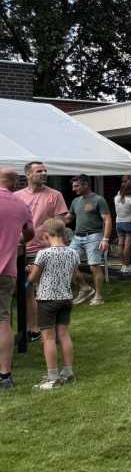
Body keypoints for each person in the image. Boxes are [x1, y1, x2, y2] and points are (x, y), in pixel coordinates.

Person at [14, 161, 87, 339]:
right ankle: (33, 330)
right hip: (21, 248)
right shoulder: (17, 196)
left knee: (47, 290)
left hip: (45, 249)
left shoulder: (54, 195)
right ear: (28, 175)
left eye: (45, 170)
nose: (44, 173)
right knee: (27, 290)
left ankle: (47, 329)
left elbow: (60, 223)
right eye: (39, 171)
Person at [26, 217, 79, 390]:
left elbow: (34, 277)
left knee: (48, 338)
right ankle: (68, 373)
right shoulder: (73, 253)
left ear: (46, 235)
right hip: (66, 298)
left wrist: (28, 279)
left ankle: (52, 377)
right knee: (64, 335)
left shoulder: (43, 253)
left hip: (47, 300)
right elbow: (73, 275)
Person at [0, 167, 34, 390]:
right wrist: (15, 236)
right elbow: (29, 235)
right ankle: (5, 376)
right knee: (3, 320)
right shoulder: (21, 205)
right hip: (6, 270)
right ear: (14, 183)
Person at [66, 174, 112, 306]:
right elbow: (68, 218)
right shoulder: (76, 201)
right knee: (67, 262)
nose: (73, 189)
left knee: (94, 267)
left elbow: (107, 220)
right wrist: (52, 223)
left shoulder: (98, 200)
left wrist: (106, 239)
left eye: (76, 186)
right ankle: (85, 288)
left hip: (94, 236)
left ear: (85, 185)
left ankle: (98, 297)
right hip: (77, 237)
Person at [113, 180, 131, 273]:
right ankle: (128, 265)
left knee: (120, 244)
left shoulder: (116, 198)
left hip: (119, 223)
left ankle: (123, 265)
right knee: (128, 246)